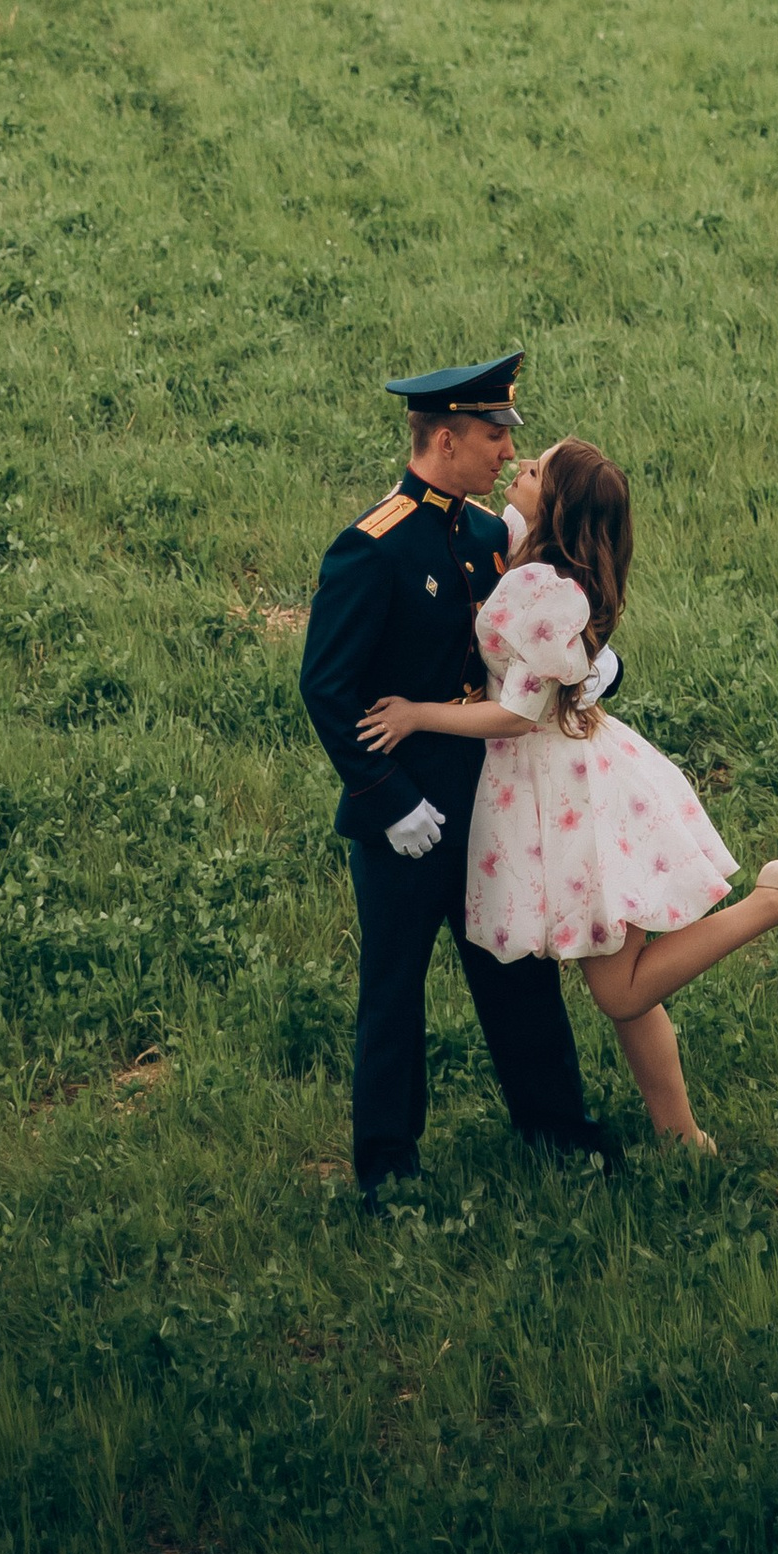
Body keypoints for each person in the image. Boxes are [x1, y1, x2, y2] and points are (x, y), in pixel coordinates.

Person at [357, 438, 778, 1151]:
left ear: (555, 506)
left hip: (562, 791)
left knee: (621, 987)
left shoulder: (546, 587)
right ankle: (682, 1135)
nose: (518, 465)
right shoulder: (544, 551)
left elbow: (516, 713)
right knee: (626, 979)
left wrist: (416, 712)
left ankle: (776, 900)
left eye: (534, 469)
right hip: (580, 771)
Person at [298, 353, 610, 1204]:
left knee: (515, 967)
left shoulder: (479, 537)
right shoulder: (372, 546)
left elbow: (534, 638)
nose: (506, 453)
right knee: (393, 988)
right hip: (404, 812)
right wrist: (388, 798)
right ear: (445, 436)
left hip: (488, 796)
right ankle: (387, 1161)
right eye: (490, 436)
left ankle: (556, 1126)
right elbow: (325, 686)